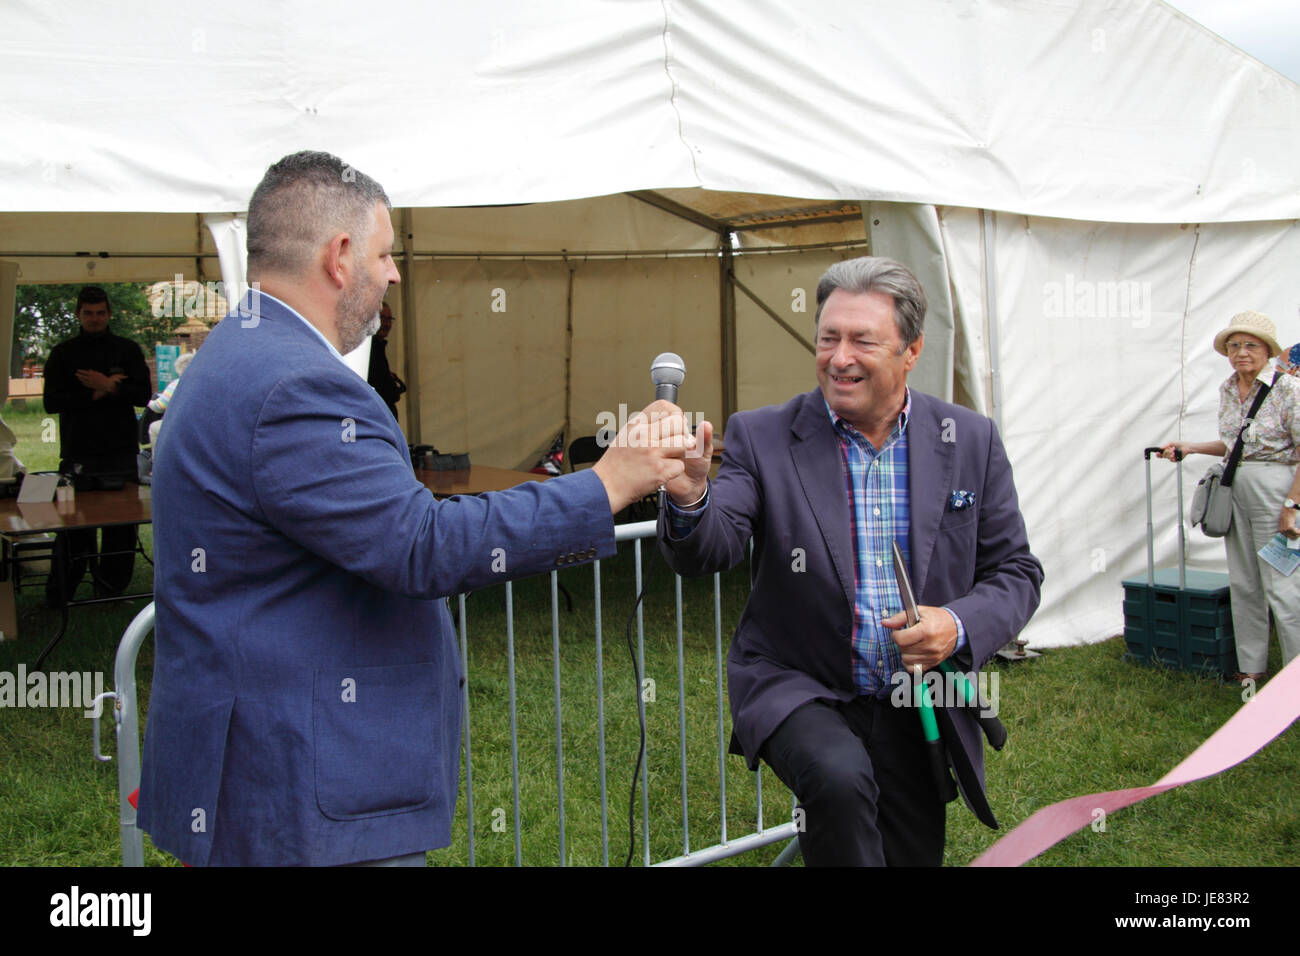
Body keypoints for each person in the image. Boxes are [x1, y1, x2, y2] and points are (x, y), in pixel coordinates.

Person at [137, 151, 698, 866]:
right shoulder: (295, 386)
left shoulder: (240, 352)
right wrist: (607, 484)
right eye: (385, 254)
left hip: (264, 769)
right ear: (340, 256)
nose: (394, 274)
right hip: (301, 790)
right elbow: (420, 544)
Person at [657, 256, 1043, 866]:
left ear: (912, 351)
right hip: (799, 683)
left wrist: (955, 625)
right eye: (827, 338)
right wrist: (690, 498)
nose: (839, 358)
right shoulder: (762, 435)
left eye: (863, 341)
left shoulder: (970, 438)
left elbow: (1016, 573)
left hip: (914, 696)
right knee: (838, 781)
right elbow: (712, 548)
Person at [1161, 311, 1300, 685]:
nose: (1241, 352)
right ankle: (1252, 667)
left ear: (1268, 350)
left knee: (1283, 584)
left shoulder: (1288, 388)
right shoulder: (1227, 388)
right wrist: (1191, 447)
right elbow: (1235, 445)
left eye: (1251, 345)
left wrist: (1292, 505)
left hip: (1276, 489)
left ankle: (1294, 678)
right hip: (1235, 485)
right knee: (1244, 581)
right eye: (1234, 345)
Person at [41, 285, 152, 603]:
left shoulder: (127, 351)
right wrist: (96, 391)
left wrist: (112, 387)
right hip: (79, 451)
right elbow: (51, 402)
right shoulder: (63, 354)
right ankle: (61, 593)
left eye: (100, 313)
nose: (94, 318)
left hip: (120, 450)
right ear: (78, 314)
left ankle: (112, 590)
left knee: (122, 527)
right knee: (74, 526)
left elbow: (143, 395)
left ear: (109, 314)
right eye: (88, 313)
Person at [366, 300, 406, 420]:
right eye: (382, 318)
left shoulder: (378, 346)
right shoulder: (370, 350)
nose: (387, 324)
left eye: (389, 319)